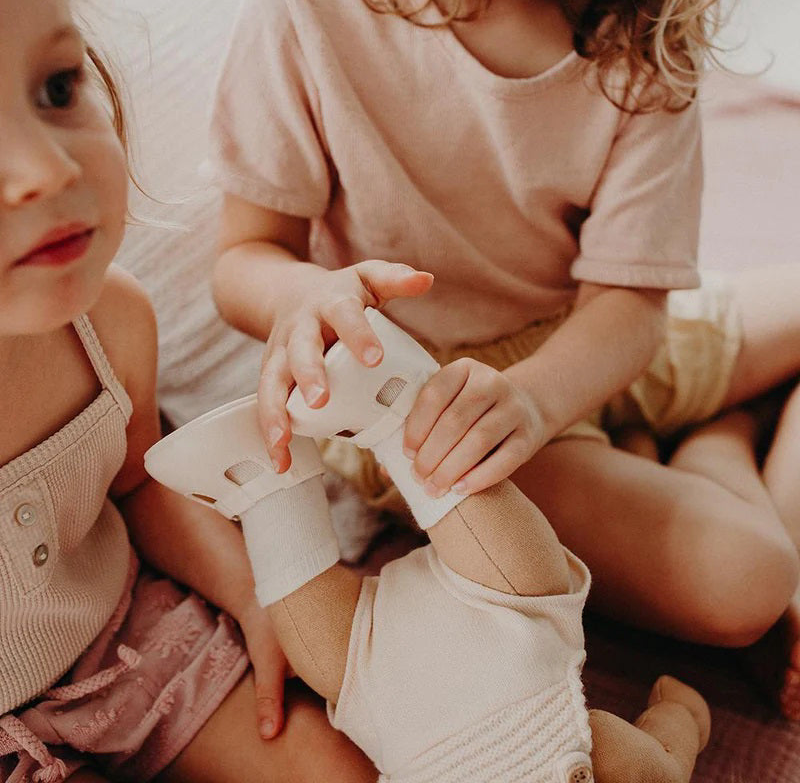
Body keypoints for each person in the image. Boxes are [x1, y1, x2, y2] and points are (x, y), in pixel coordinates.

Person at [209, 0, 800, 720]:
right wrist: (300, 295)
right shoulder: (305, 7)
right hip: (430, 405)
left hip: (592, 344)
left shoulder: (647, 30)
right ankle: (722, 436)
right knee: (749, 580)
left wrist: (538, 396)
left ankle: (700, 434)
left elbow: (631, 304)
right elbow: (244, 257)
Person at [0, 0, 377, 780]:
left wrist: (256, 593)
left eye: (57, 89)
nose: (46, 168)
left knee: (342, 767)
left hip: (124, 644)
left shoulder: (109, 320)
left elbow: (137, 481)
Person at [144, 307, 712, 783]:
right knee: (502, 559)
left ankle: (264, 484)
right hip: (506, 624)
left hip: (387, 694)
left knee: (325, 655)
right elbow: (660, 759)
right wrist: (680, 716)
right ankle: (398, 409)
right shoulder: (611, 764)